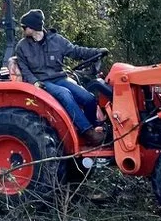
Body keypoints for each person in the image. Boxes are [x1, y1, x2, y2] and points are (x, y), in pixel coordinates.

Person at [10, 9, 110, 146]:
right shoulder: (22, 46)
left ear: (32, 27)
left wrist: (97, 52)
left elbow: (76, 51)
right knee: (64, 94)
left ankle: (94, 126)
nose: (23, 29)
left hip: (59, 78)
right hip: (42, 81)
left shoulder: (56, 40)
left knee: (89, 98)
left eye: (24, 26)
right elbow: (25, 69)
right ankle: (88, 132)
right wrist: (35, 82)